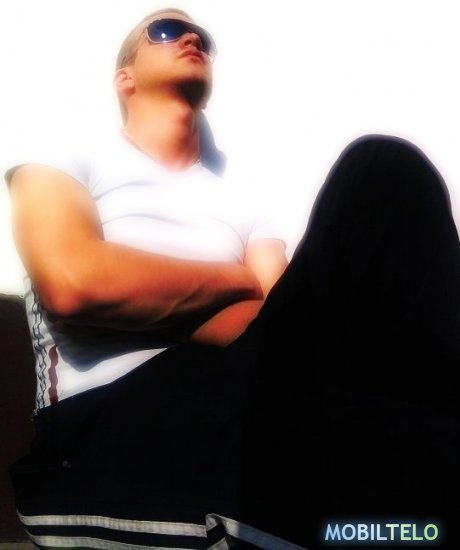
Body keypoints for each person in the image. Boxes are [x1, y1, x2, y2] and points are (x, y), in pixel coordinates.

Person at [5, 7, 460, 550]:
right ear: (124, 76)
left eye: (201, 35)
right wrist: (236, 278)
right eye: (166, 30)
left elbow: (279, 325)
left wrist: (142, 301)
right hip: (102, 426)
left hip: (237, 396)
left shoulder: (246, 201)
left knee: (386, 171)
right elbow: (77, 283)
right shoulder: (62, 157)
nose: (191, 37)